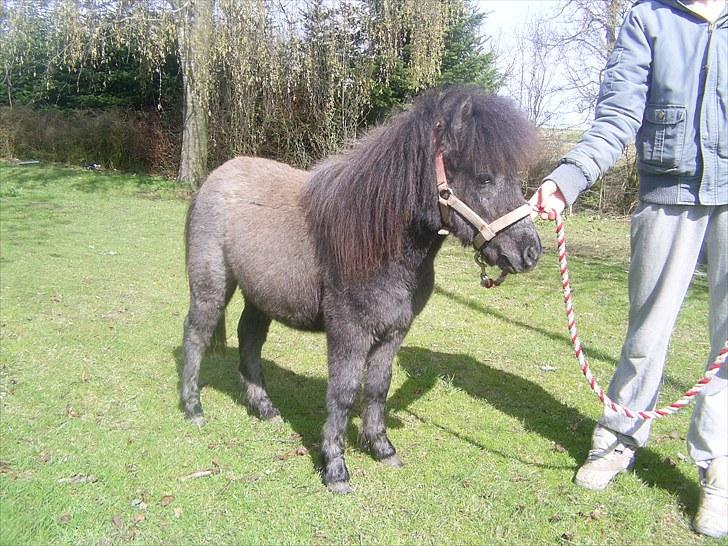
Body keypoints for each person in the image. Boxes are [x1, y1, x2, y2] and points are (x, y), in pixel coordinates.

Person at [529, 0, 727, 538]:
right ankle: (617, 439)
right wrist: (567, 178)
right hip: (668, 197)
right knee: (647, 334)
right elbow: (617, 117)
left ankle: (720, 468)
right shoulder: (649, 19)